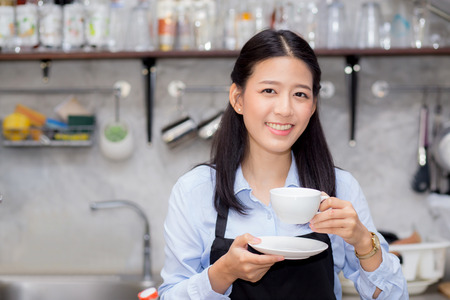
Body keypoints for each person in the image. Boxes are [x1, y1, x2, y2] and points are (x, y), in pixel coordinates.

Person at [158, 29, 408, 299]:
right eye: (269, 90)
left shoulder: (340, 188)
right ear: (238, 99)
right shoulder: (196, 191)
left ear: (312, 106)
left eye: (300, 94)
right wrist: (222, 273)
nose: (285, 109)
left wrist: (362, 242)